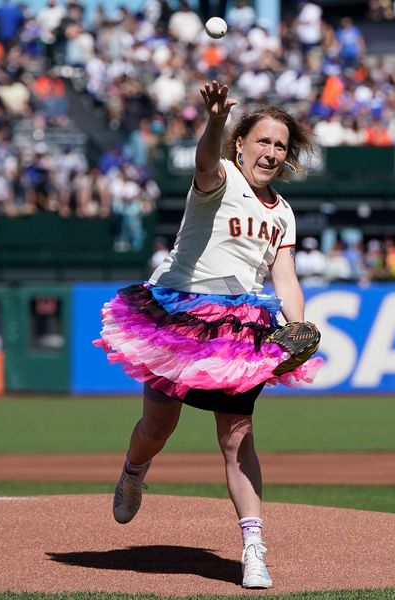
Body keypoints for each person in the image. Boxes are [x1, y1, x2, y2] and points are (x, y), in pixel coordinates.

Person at [94, 80, 322, 590]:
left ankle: (253, 547)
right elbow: (203, 161)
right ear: (240, 145)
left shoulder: (281, 213)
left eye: (280, 146)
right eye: (262, 141)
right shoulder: (219, 179)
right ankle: (134, 472)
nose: (270, 152)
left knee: (237, 436)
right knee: (158, 428)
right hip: (180, 319)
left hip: (238, 329)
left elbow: (285, 279)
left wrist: (298, 327)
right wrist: (216, 120)